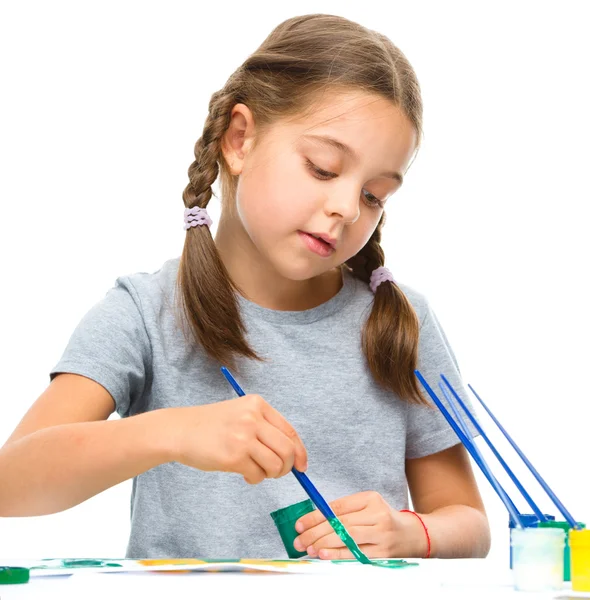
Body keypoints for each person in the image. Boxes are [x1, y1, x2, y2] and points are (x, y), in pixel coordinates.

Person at [0, 13, 490, 560]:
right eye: (324, 168)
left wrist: (412, 533)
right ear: (239, 140)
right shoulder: (145, 313)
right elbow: (10, 481)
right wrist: (173, 433)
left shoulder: (400, 323)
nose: (348, 208)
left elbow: (469, 524)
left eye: (375, 195)